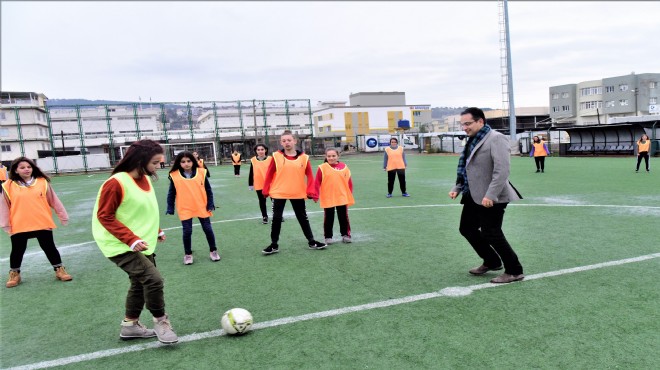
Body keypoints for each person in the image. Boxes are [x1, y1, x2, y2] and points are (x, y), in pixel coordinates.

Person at [91, 139, 178, 344]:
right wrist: (131, 239)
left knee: (139, 284)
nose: (159, 166)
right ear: (141, 160)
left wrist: (155, 230)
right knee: (153, 280)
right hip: (118, 243)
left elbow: (140, 208)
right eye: (155, 163)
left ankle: (130, 326)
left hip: (140, 242)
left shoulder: (144, 178)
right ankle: (161, 322)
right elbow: (105, 216)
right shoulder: (116, 183)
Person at [448, 107, 525, 284]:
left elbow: (502, 170)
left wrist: (491, 195)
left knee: (492, 232)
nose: (464, 127)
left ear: (480, 121)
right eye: (462, 124)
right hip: (472, 193)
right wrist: (457, 187)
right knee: (467, 229)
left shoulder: (496, 138)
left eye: (468, 123)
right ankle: (492, 261)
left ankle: (514, 270)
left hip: (492, 195)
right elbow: (467, 167)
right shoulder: (472, 140)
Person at [0, 157, 72, 288]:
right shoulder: (8, 186)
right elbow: (4, 206)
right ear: (16, 170)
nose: (26, 169)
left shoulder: (42, 182)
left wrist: (63, 215)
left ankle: (59, 270)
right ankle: (15, 274)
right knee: (17, 250)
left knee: (49, 247)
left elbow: (53, 200)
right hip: (19, 223)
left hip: (42, 221)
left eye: (29, 167)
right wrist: (5, 223)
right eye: (22, 167)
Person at [261, 130, 326, 255]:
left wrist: (312, 191)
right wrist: (265, 189)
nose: (287, 143)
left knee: (303, 217)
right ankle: (274, 245)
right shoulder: (276, 156)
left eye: (289, 140)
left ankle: (312, 242)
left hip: (297, 192)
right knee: (276, 218)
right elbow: (269, 174)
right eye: (284, 141)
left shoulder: (304, 158)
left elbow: (310, 176)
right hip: (279, 192)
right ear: (281, 142)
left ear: (295, 141)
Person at [166, 151, 220, 265]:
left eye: (189, 161)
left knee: (208, 229)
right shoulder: (175, 175)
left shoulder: (201, 173)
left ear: (193, 161)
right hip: (185, 207)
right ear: (179, 163)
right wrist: (170, 207)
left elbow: (209, 191)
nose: (186, 164)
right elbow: (171, 193)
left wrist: (210, 204)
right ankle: (188, 254)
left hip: (201, 206)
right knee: (187, 231)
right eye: (183, 162)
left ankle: (213, 250)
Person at [314, 148, 354, 245]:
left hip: (342, 197)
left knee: (343, 217)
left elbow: (349, 182)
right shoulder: (322, 167)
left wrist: (349, 193)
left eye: (333, 156)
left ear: (338, 156)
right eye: (329, 156)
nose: (331, 158)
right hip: (328, 197)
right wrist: (315, 195)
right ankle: (328, 237)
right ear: (326, 157)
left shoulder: (344, 167)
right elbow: (317, 182)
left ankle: (346, 235)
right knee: (328, 217)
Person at [248, 144, 273, 224]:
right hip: (259, 184)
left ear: (265, 150)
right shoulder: (253, 160)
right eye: (258, 150)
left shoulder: (271, 159)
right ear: (256, 151)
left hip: (271, 184)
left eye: (262, 149)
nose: (260, 151)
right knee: (262, 201)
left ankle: (278, 215)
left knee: (275, 201)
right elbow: (251, 173)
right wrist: (250, 184)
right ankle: (264, 217)